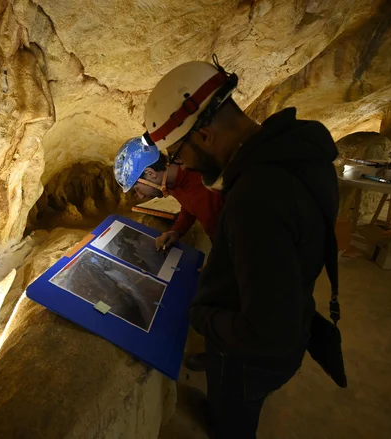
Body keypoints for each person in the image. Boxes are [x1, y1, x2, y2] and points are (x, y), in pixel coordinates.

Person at [141, 58, 340, 438]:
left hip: (250, 361)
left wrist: (202, 316)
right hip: (295, 315)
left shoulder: (255, 198)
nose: (183, 166)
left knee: (232, 425)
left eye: (179, 154)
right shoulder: (299, 153)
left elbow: (265, 331)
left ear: (203, 136)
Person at [114, 137, 225, 371]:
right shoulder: (176, 181)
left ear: (150, 174)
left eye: (137, 189)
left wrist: (220, 265)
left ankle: (227, 359)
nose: (141, 197)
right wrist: (177, 231)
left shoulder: (205, 186)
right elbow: (188, 206)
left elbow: (237, 235)